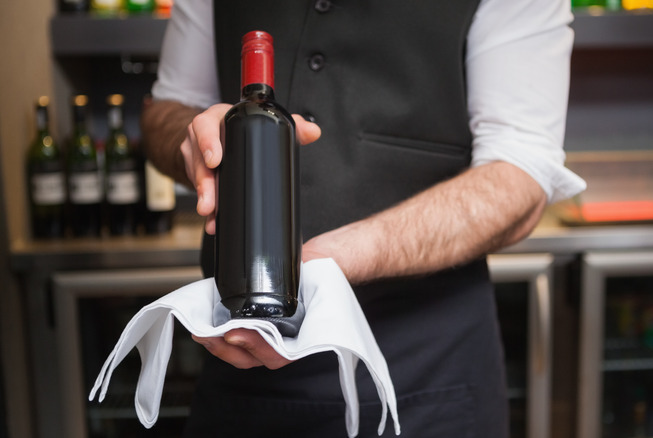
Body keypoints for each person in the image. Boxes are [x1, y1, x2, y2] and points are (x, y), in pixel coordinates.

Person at [141, 0, 585, 436]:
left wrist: (340, 259)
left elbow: (520, 174)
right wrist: (198, 146)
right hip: (239, 369)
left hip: (429, 379)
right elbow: (166, 109)